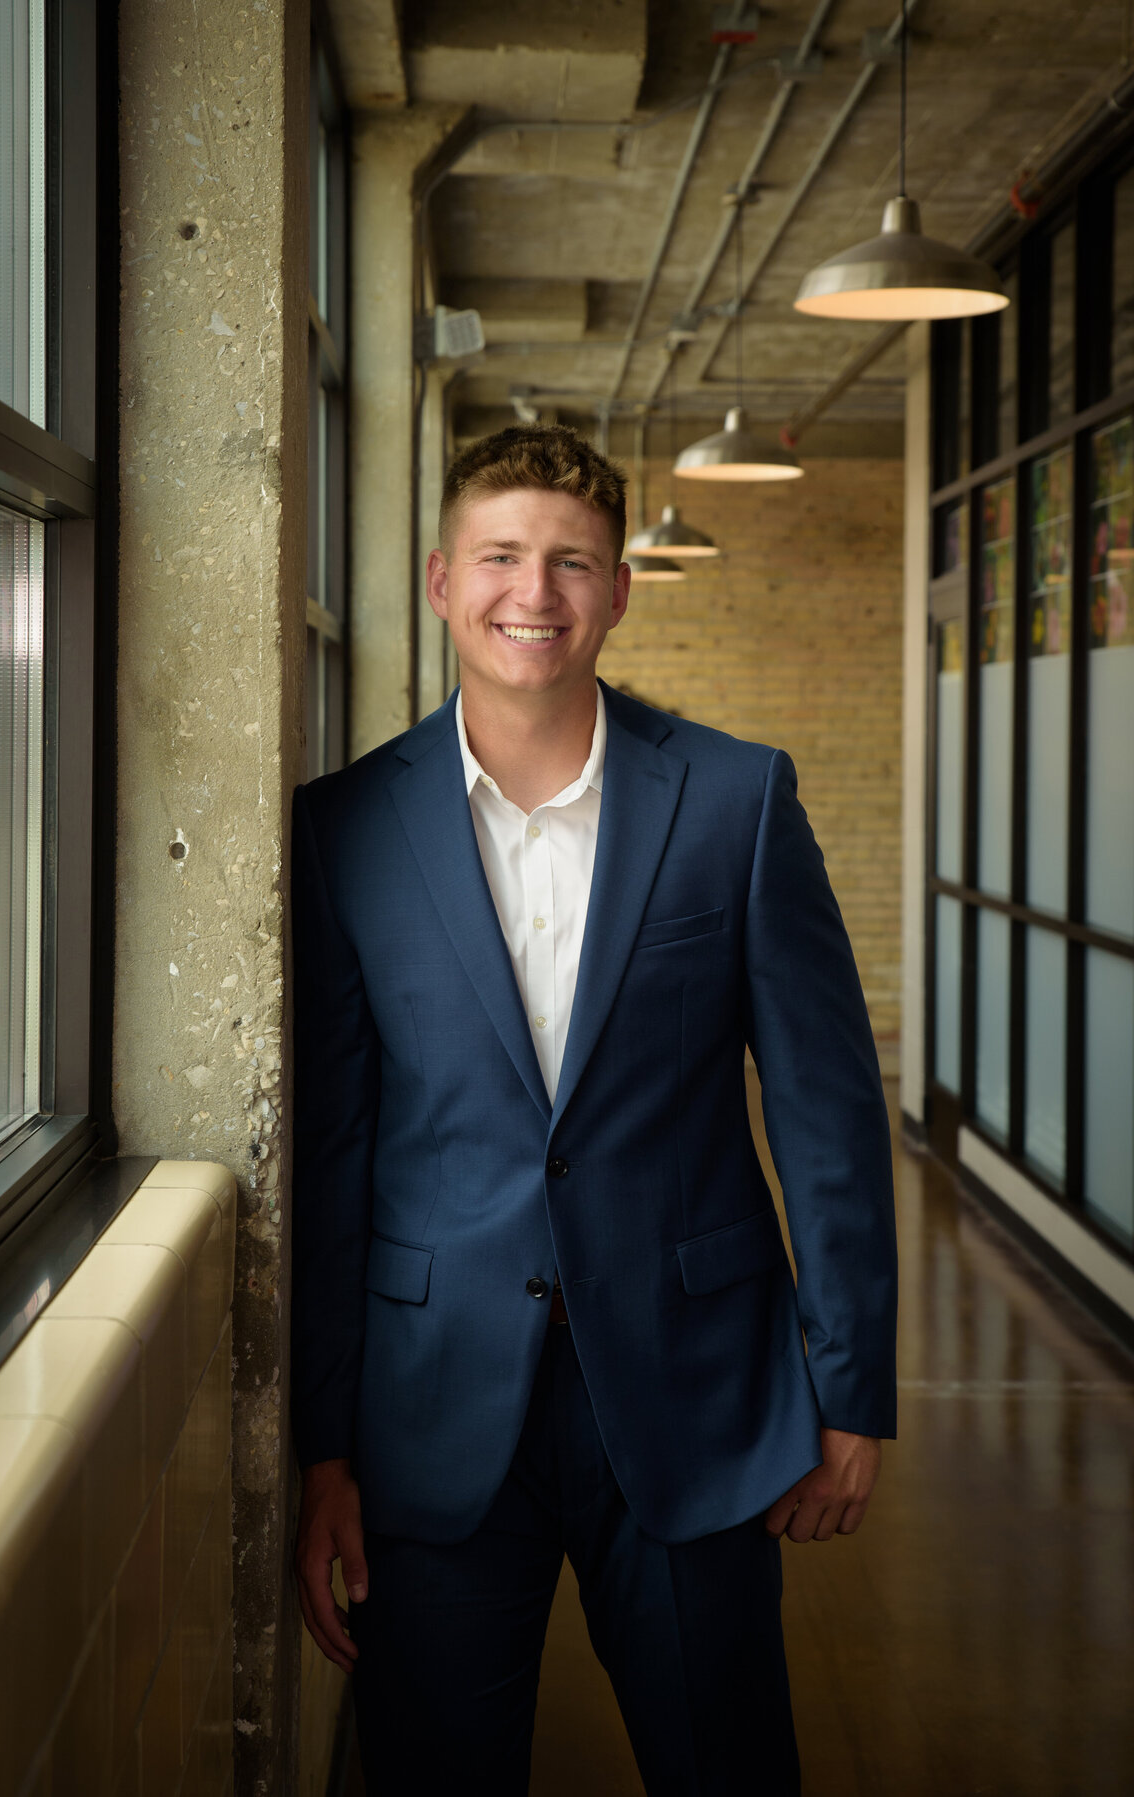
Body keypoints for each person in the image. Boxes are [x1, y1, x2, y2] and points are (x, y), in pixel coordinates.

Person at [290, 423, 897, 1795]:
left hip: (696, 1393)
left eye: (573, 562)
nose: (536, 592)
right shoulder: (342, 832)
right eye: (503, 556)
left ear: (620, 589)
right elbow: (332, 1155)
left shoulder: (740, 800)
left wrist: (850, 1388)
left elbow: (828, 1111)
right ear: (444, 579)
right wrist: (323, 1445)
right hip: (433, 1411)